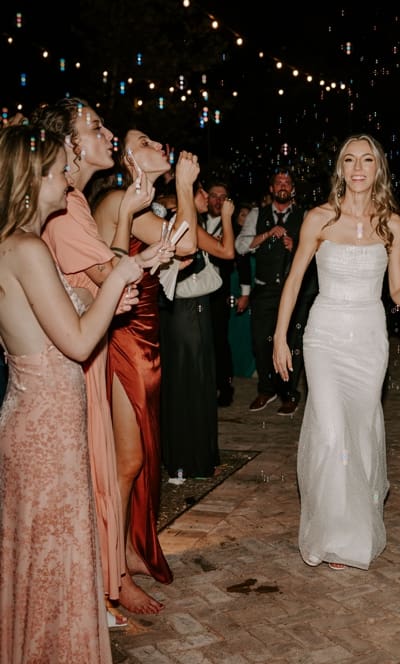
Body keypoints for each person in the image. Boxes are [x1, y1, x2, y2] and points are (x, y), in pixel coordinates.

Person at [0, 122, 164, 663]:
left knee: (47, 555)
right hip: (46, 427)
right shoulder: (26, 248)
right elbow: (75, 342)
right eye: (56, 171)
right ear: (33, 181)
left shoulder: (15, 245)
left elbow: (58, 319)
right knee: (55, 555)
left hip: (43, 418)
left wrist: (114, 288)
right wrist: (118, 279)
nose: (66, 178)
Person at [274, 134, 400, 571]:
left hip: (368, 338)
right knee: (330, 433)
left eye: (367, 160)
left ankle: (353, 530)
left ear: (378, 169)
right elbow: (294, 281)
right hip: (324, 335)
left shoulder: (393, 224)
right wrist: (280, 337)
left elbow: (396, 290)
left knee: (358, 433)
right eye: (349, 160)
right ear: (340, 169)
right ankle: (330, 533)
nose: (358, 168)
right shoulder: (319, 219)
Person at [92, 129, 208, 589]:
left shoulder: (141, 207)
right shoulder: (119, 201)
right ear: (126, 161)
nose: (158, 145)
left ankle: (126, 549)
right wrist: (185, 184)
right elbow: (187, 245)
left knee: (137, 456)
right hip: (123, 336)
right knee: (126, 460)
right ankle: (112, 572)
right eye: (144, 142)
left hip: (144, 335)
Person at [161, 170, 234, 488]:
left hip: (183, 311)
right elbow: (227, 251)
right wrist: (227, 218)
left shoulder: (174, 219)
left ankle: (188, 459)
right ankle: (190, 461)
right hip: (188, 313)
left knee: (187, 383)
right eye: (202, 192)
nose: (207, 198)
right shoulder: (187, 224)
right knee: (192, 383)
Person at [237, 169, 312, 416]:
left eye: (287, 182)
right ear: (271, 188)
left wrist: (296, 247)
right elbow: (240, 246)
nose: (283, 185)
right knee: (261, 341)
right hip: (264, 289)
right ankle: (266, 390)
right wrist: (268, 234)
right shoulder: (257, 214)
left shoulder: (305, 216)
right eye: (278, 182)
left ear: (293, 189)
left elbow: (316, 250)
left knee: (292, 341)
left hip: (293, 290)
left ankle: (289, 394)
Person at [202, 180, 238, 407]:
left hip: (218, 292)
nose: (218, 200)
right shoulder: (196, 220)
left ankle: (225, 388)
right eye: (214, 196)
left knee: (219, 340)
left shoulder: (231, 225)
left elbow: (237, 258)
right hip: (194, 290)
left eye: (222, 197)